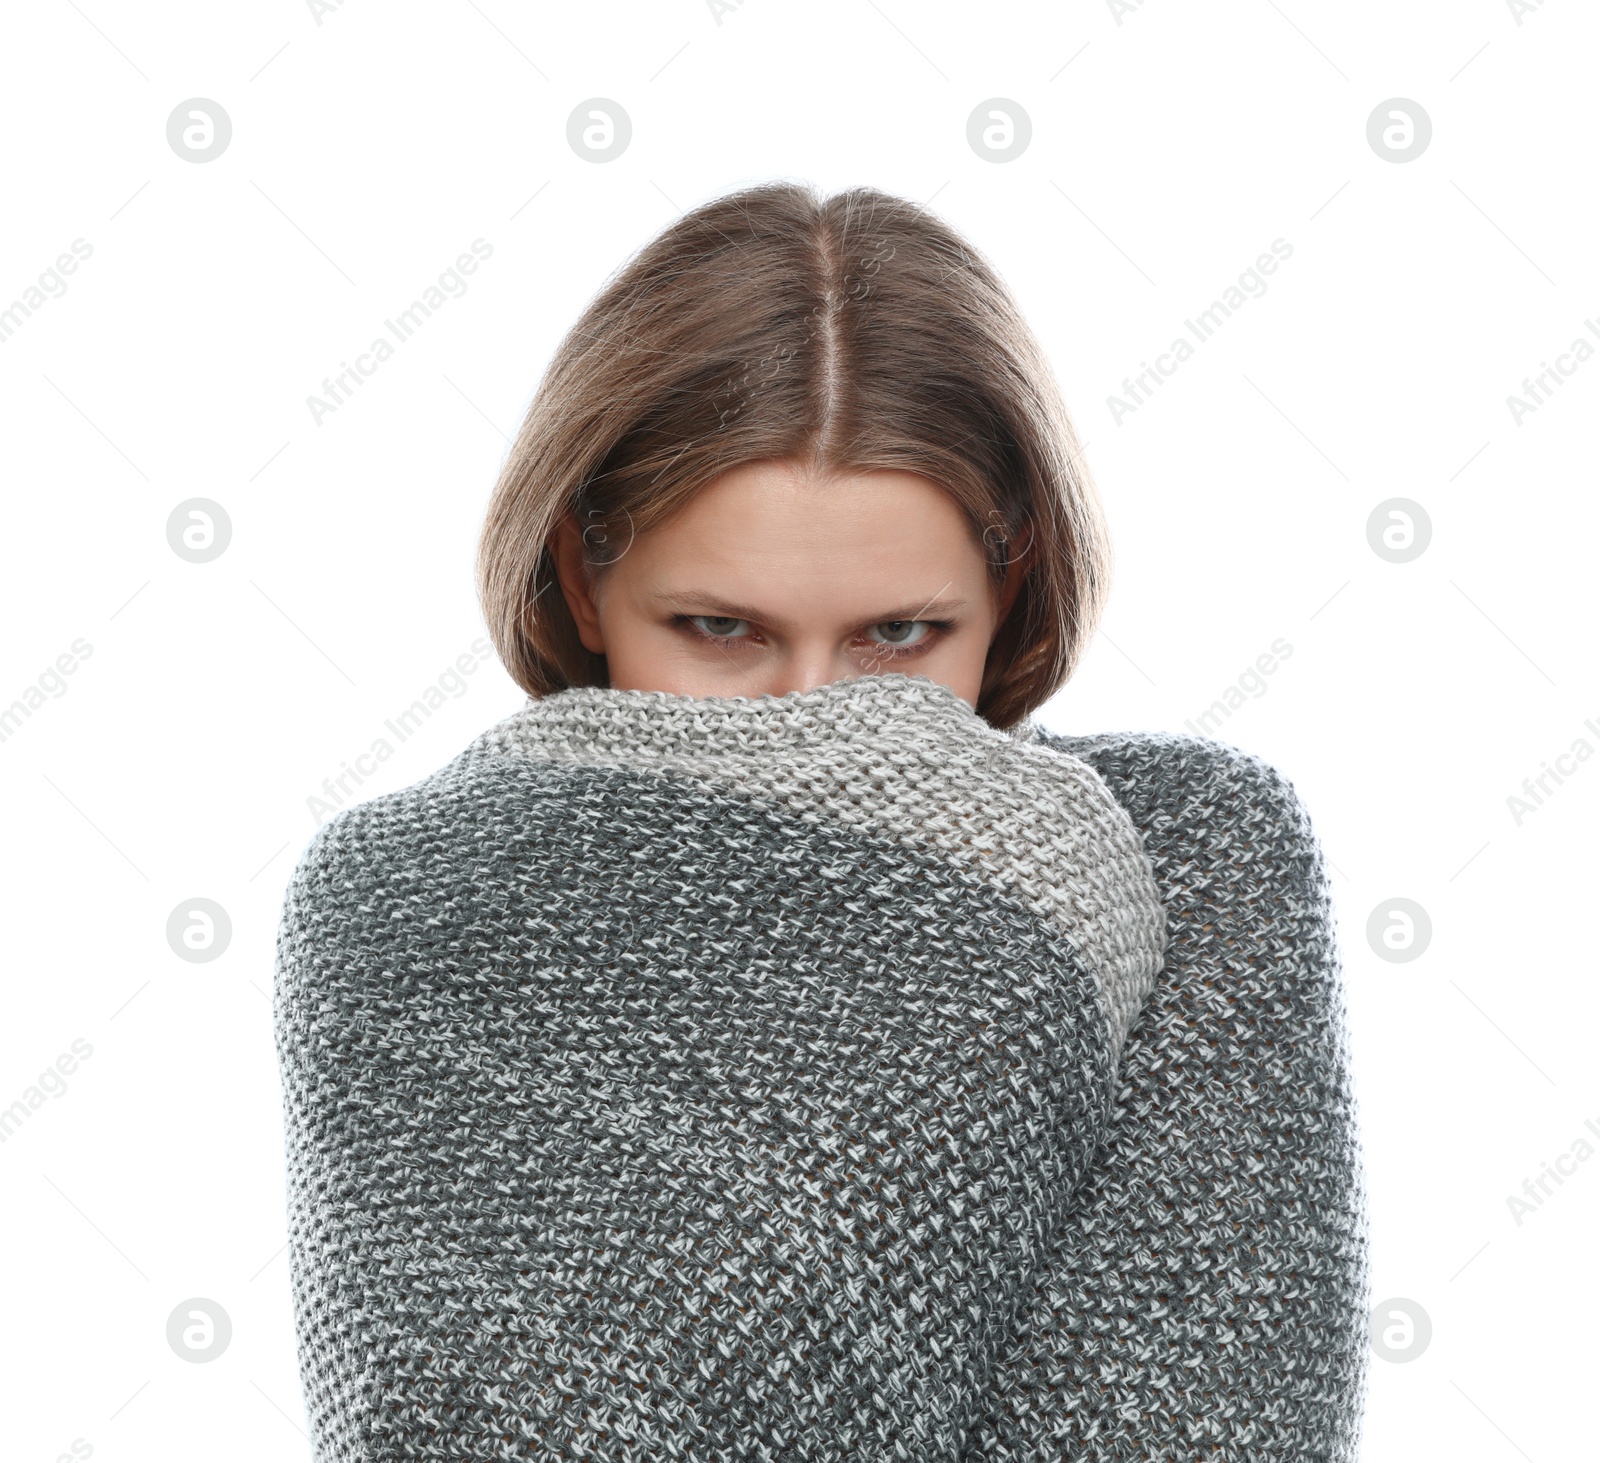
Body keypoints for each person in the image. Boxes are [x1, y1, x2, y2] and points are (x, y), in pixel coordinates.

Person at [276, 180, 1369, 1459]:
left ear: (1011, 581)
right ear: (579, 577)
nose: (815, 715)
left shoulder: (1185, 857)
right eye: (718, 630)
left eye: (898, 637)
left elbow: (1202, 1433)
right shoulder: (404, 897)